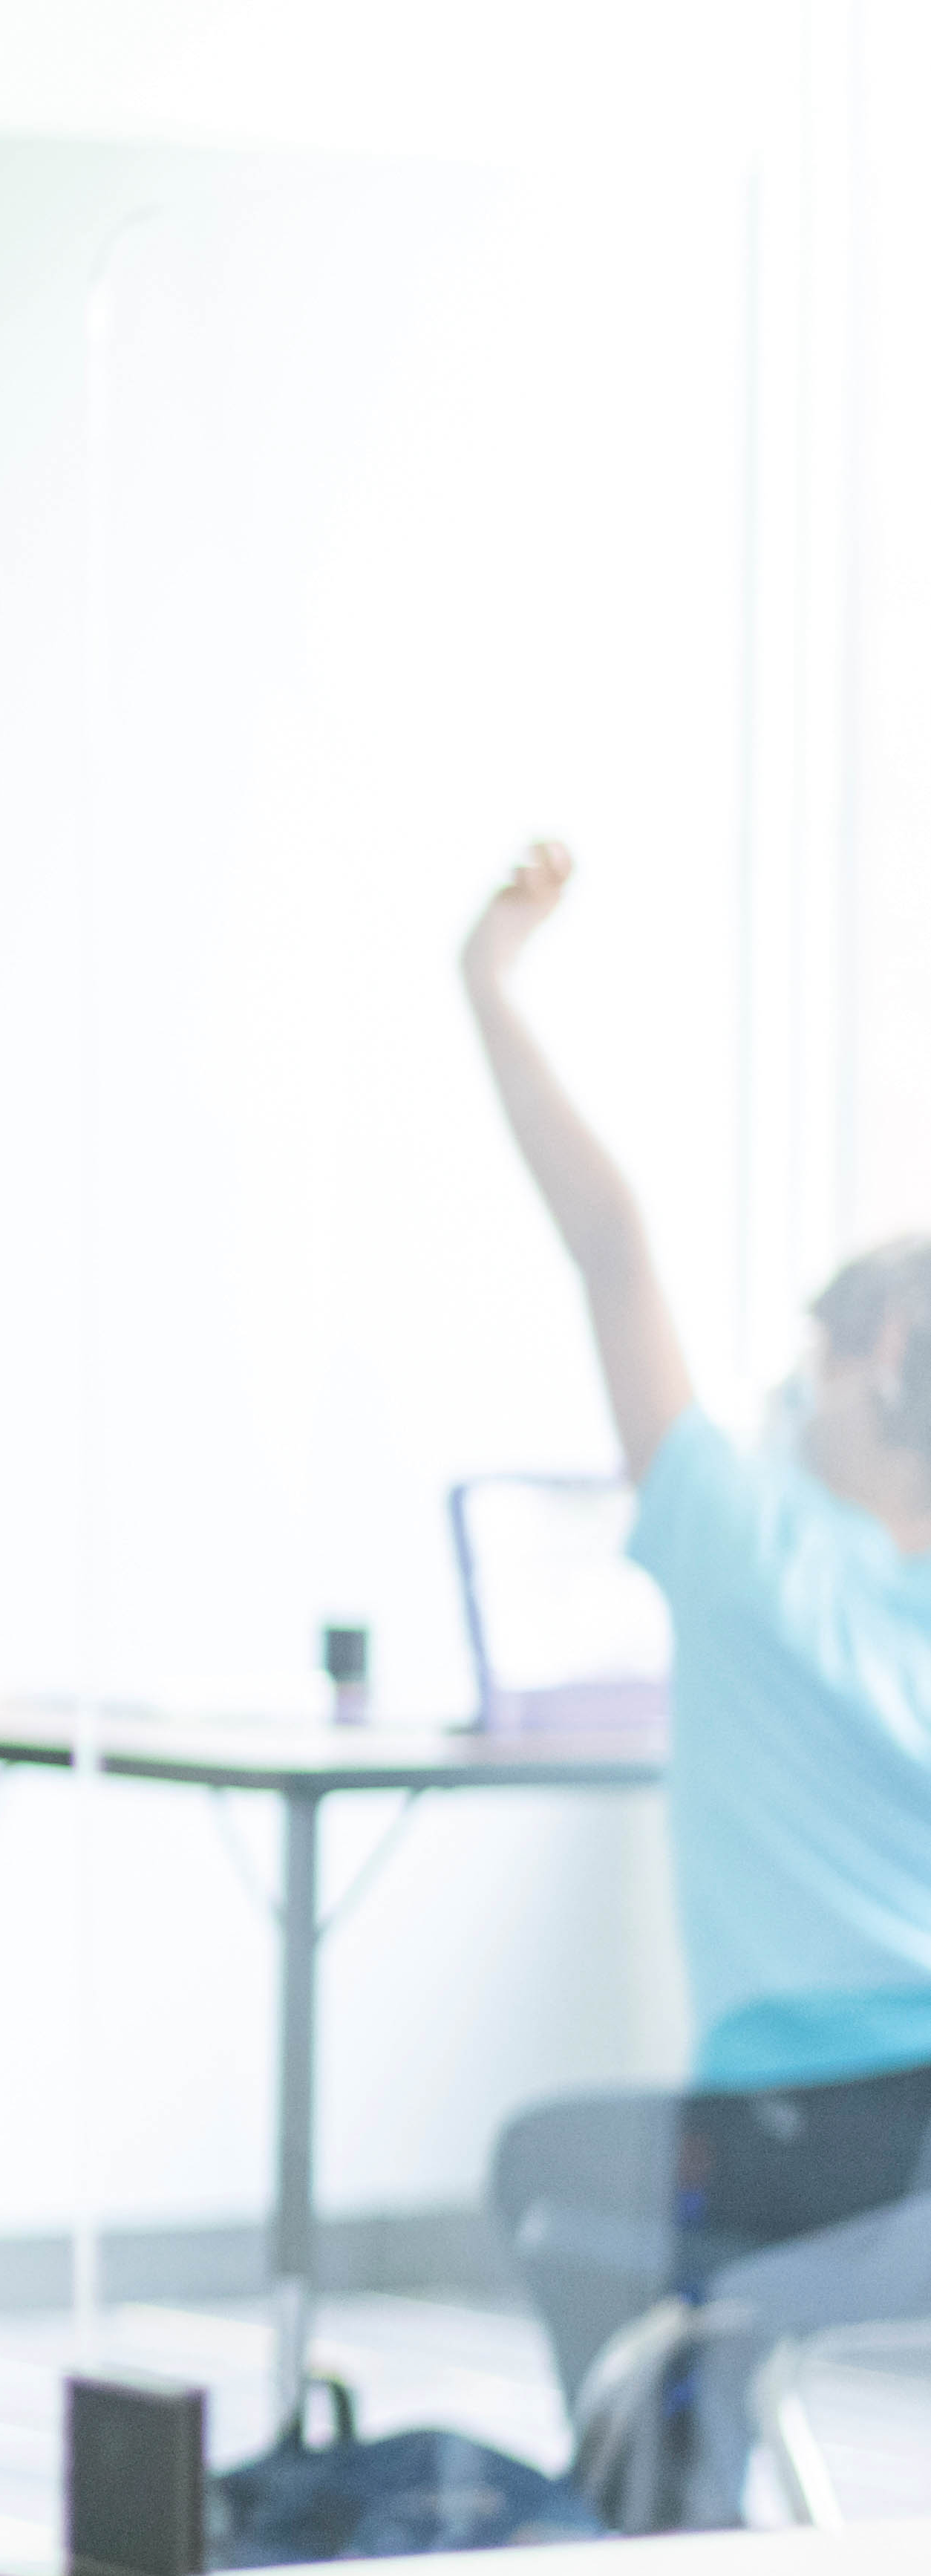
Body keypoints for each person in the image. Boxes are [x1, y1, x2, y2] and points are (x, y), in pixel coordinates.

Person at [461, 841, 931, 2479]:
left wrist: (487, 980)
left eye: (809, 1349)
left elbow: (610, 1242)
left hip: (805, 2159)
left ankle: (672, 2515)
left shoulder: (743, 1545)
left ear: (870, 1356)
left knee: (548, 2166)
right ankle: (702, 2437)